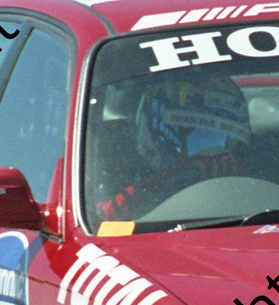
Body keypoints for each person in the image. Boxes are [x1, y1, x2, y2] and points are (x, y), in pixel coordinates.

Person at [94, 73, 252, 220]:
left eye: (210, 135)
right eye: (196, 134)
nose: (208, 154)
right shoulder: (117, 184)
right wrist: (169, 176)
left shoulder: (262, 174)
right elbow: (102, 218)